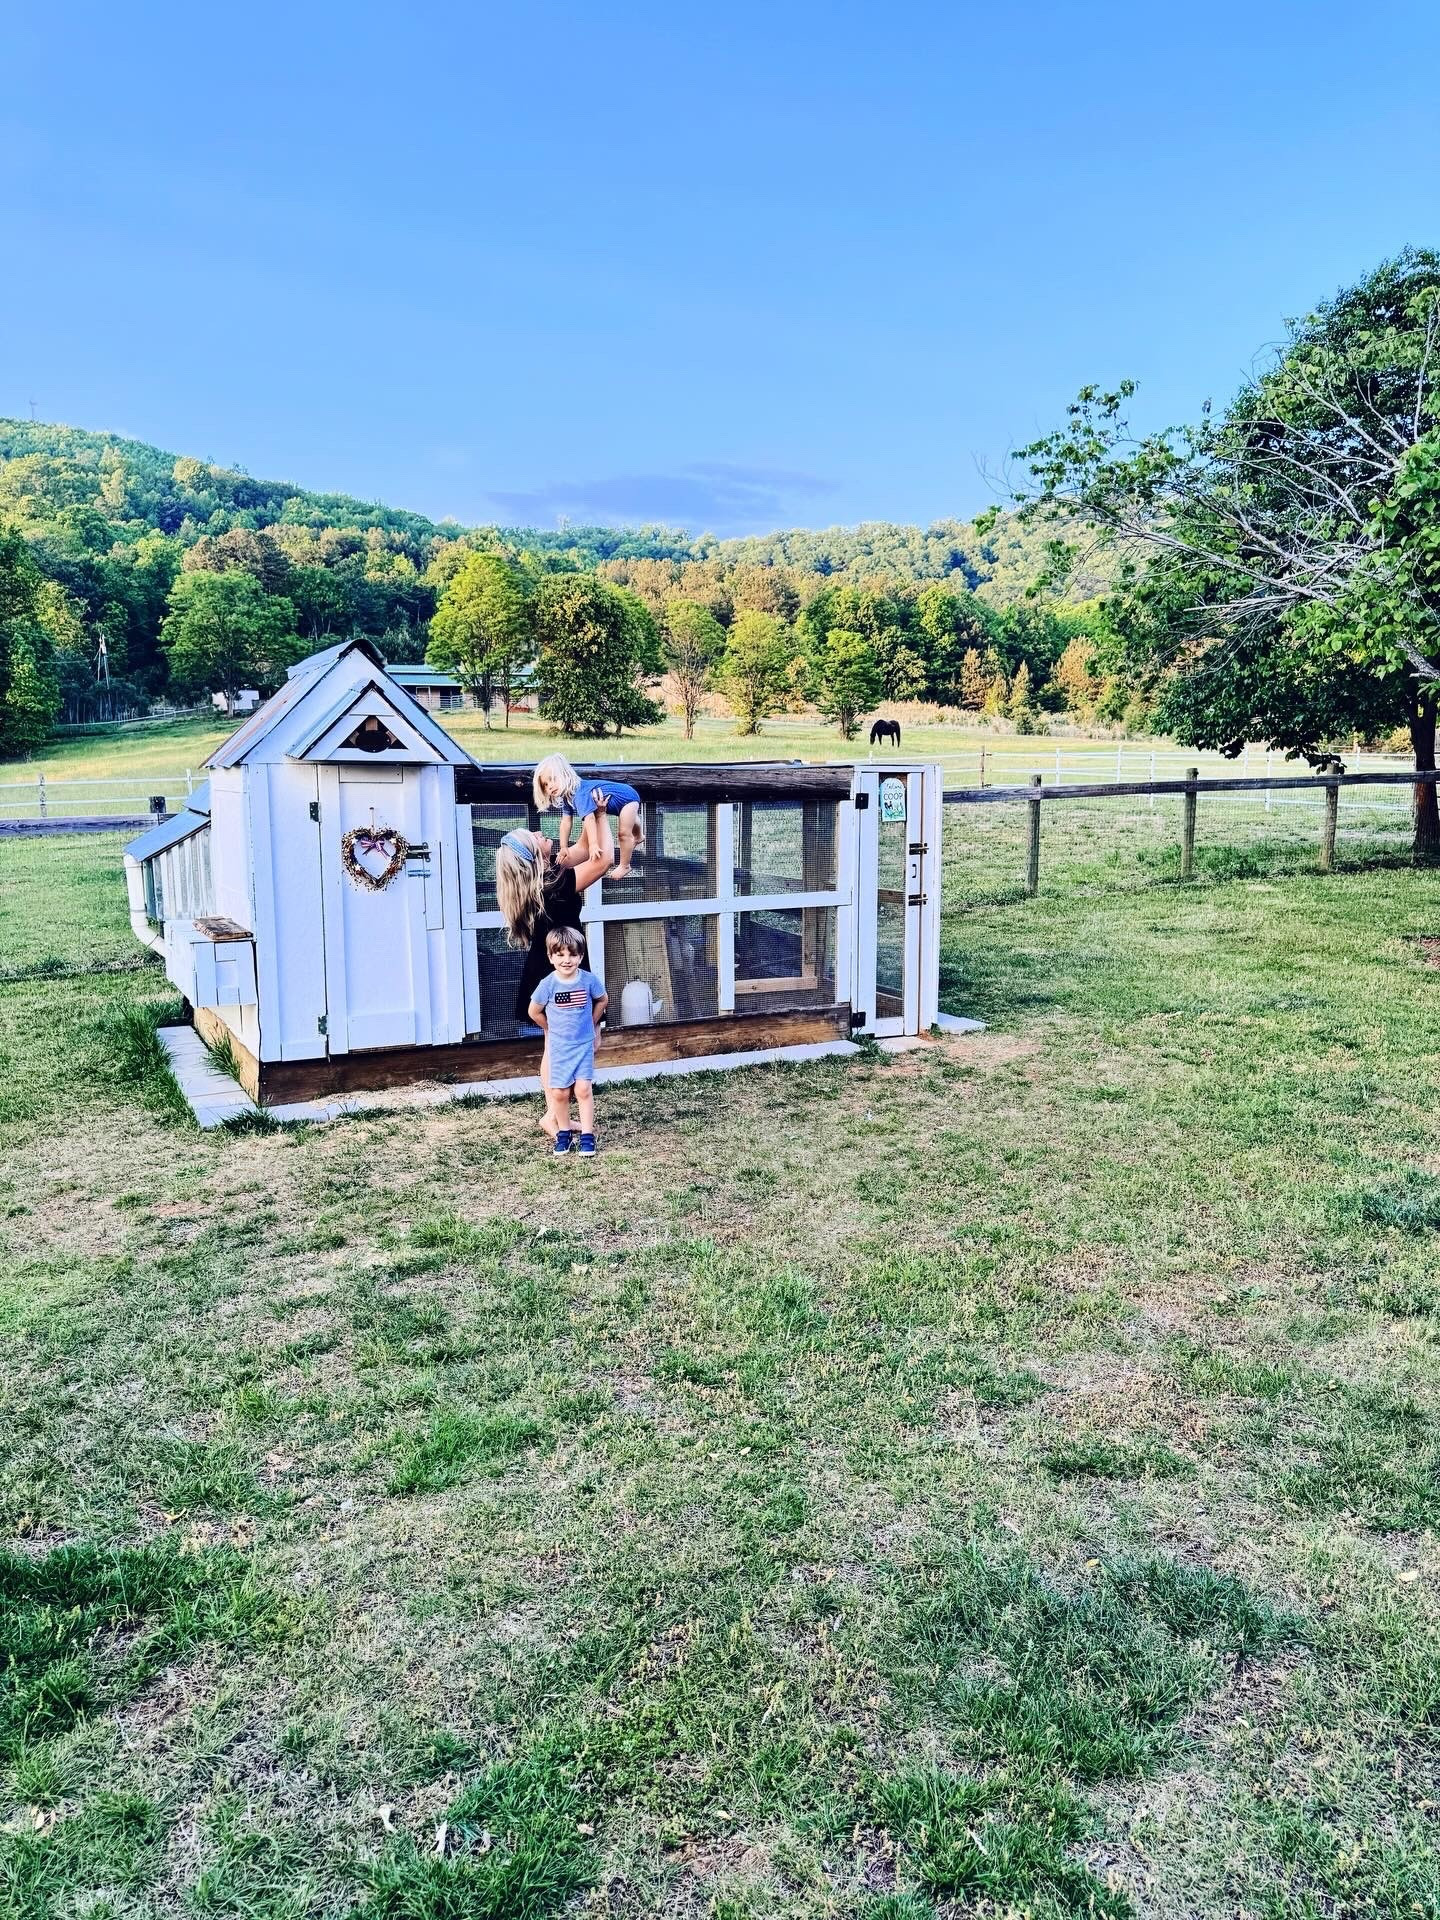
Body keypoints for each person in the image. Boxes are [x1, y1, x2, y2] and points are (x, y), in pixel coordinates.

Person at [495, 800, 614, 1124]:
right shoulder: (555, 885)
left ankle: (554, 1113)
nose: (539, 831)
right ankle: (553, 1115)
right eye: (534, 836)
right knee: (559, 1045)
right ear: (536, 855)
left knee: (559, 1043)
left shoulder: (547, 878)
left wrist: (583, 808)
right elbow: (604, 861)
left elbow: (587, 846)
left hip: (551, 967)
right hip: (559, 971)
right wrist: (600, 814)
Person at [527, 926, 607, 1156]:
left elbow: (602, 1000)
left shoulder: (589, 980)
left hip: (582, 1046)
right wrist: (550, 1028)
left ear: (581, 956)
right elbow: (534, 1011)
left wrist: (592, 1024)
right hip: (559, 1048)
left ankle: (587, 1136)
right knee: (560, 1093)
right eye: (560, 954)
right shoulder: (548, 984)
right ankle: (564, 1134)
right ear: (551, 957)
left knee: (583, 1089)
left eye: (572, 954)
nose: (567, 960)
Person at [532, 753, 644, 879]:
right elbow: (566, 822)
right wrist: (564, 847)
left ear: (565, 774)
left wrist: (594, 845)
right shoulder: (567, 797)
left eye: (553, 779)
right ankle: (639, 836)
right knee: (631, 819)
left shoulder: (579, 794)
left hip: (627, 798)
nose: (550, 786)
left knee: (623, 834)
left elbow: (590, 819)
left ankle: (625, 866)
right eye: (545, 785)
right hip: (624, 800)